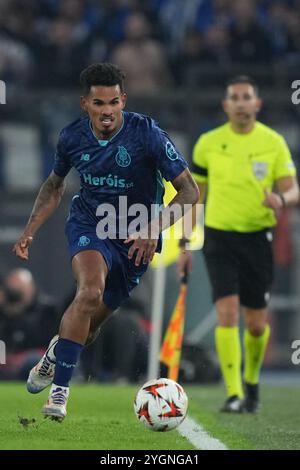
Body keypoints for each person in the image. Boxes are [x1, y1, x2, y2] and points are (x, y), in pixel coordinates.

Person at [13, 62, 199, 421]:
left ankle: (54, 355)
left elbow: (190, 192)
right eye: (99, 104)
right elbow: (54, 186)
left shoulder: (148, 134)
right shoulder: (71, 137)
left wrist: (152, 228)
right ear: (86, 104)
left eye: (114, 102)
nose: (108, 112)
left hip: (136, 237)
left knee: (92, 323)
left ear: (123, 101)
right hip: (91, 224)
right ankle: (59, 394)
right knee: (89, 292)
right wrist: (30, 228)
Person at [178, 75, 299, 413]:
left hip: (259, 238)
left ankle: (251, 382)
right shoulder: (208, 143)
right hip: (219, 237)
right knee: (227, 313)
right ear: (226, 105)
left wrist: (280, 198)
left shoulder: (272, 142)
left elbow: (294, 190)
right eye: (236, 97)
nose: (242, 103)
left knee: (257, 323)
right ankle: (233, 394)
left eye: (248, 97)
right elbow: (194, 197)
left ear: (257, 104)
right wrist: (185, 245)